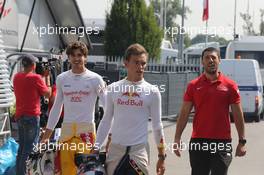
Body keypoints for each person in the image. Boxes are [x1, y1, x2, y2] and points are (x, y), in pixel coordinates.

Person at [95, 43, 166, 175]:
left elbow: (157, 126)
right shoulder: (113, 88)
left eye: (143, 63)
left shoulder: (153, 91)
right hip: (116, 151)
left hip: (139, 152)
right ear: (126, 63)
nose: (140, 67)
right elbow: (106, 121)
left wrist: (162, 156)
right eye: (136, 62)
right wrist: (96, 147)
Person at [173, 47, 246, 175]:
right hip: (199, 141)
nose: (210, 60)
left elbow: (238, 115)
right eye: (207, 58)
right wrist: (177, 138)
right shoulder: (193, 86)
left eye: (214, 57)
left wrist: (242, 141)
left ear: (219, 60)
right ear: (202, 62)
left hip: (222, 142)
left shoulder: (230, 86)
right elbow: (184, 113)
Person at [40, 41, 106, 175]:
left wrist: (108, 136)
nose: (77, 58)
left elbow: (109, 109)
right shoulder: (61, 79)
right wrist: (46, 136)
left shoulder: (96, 79)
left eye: (80, 55)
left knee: (86, 172)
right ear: (68, 58)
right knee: (65, 171)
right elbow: (57, 108)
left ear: (85, 57)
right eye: (73, 55)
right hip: (66, 133)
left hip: (86, 132)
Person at [13, 54, 51, 175]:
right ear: (33, 65)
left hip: (20, 116)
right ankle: (26, 172)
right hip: (32, 116)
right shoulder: (36, 78)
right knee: (30, 148)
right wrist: (47, 79)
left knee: (22, 147)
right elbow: (47, 94)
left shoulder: (16, 76)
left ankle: (19, 172)